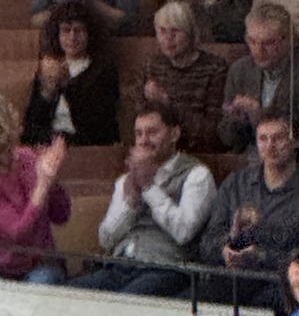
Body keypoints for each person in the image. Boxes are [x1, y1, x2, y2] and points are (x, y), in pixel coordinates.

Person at [76, 98, 216, 298]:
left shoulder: (197, 175)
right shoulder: (125, 180)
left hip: (167, 269)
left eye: (152, 132)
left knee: (125, 303)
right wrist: (131, 203)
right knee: (66, 295)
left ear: (174, 134)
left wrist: (149, 187)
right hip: (119, 265)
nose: (143, 141)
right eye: (138, 133)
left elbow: (184, 231)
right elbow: (106, 239)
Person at [198, 108, 299, 306]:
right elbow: (208, 240)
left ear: (296, 141)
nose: (270, 146)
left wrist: (262, 257)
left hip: (284, 287)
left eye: (278, 138)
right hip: (233, 282)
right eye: (263, 139)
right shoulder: (235, 184)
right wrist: (226, 246)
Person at [0, 90, 71, 282]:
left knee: (48, 279)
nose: (8, 157)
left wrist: (53, 181)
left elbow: (62, 216)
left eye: (8, 146)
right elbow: (18, 235)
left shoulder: (26, 157)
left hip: (41, 263)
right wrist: (43, 185)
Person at [218, 2, 299, 156]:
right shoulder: (239, 71)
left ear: (288, 40)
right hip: (250, 159)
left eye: (268, 43)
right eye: (252, 41)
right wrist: (238, 122)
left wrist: (261, 118)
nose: (258, 51)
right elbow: (225, 136)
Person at [22, 1, 121, 145]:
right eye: (66, 30)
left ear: (89, 34)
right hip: (49, 143)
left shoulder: (103, 70)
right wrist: (47, 92)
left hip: (86, 145)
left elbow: (99, 124)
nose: (72, 37)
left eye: (78, 30)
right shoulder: (50, 68)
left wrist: (66, 86)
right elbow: (31, 128)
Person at [141, 0, 229, 153]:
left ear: (190, 33)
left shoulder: (215, 68)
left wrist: (168, 104)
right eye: (162, 31)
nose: (169, 38)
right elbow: (137, 120)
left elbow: (213, 133)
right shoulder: (152, 66)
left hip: (200, 153)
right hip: (157, 151)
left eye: (176, 31)